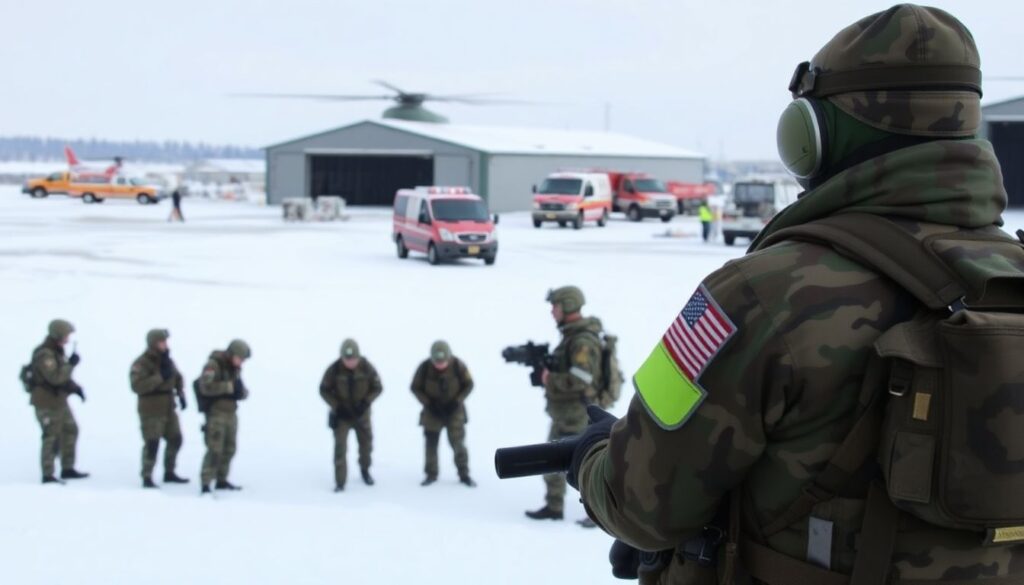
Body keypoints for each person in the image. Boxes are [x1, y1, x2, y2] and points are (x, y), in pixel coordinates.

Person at [570, 5, 1024, 583]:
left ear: (810, 136)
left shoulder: (755, 294)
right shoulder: (1013, 278)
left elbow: (639, 502)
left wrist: (592, 454)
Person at [525, 286, 604, 521]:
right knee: (555, 461)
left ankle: (598, 514)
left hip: (577, 414)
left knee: (584, 465)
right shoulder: (571, 336)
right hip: (565, 413)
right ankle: (554, 507)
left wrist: (551, 379)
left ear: (568, 306)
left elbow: (582, 379)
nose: (552, 311)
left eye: (555, 306)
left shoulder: (581, 340)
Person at [28, 319, 88, 483]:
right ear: (58, 334)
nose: (68, 338)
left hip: (59, 401)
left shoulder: (57, 351)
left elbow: (63, 377)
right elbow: (55, 378)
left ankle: (67, 468)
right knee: (51, 436)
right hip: (46, 402)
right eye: (67, 334)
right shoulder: (45, 354)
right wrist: (71, 364)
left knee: (71, 430)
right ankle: (48, 474)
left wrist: (76, 388)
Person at [319, 339, 382, 492]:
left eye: (353, 359)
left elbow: (377, 387)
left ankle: (365, 470)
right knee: (340, 448)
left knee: (366, 446)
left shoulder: (366, 367)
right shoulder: (334, 370)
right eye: (347, 359)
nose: (350, 362)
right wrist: (337, 406)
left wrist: (365, 403)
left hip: (361, 415)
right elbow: (323, 390)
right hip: (342, 416)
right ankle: (340, 482)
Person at [411, 340, 475, 487]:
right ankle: (431, 474)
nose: (440, 364)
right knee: (431, 444)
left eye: (443, 362)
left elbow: (469, 384)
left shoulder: (458, 365)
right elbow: (415, 387)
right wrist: (429, 403)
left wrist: (457, 401)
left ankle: (464, 474)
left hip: (454, 412)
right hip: (432, 413)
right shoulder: (424, 368)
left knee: (458, 444)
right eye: (437, 362)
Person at [129, 329, 189, 488]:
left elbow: (177, 377)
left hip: (169, 407)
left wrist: (181, 393)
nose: (165, 345)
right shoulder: (141, 363)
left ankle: (170, 471)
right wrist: (159, 377)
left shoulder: (167, 360)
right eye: (162, 342)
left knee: (176, 439)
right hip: (151, 408)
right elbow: (137, 386)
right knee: (152, 443)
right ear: (154, 344)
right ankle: (147, 476)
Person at [197, 339, 250, 494]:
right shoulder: (213, 365)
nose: (241, 363)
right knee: (215, 448)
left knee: (229, 448)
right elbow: (205, 387)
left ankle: (222, 479)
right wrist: (228, 387)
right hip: (216, 414)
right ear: (232, 354)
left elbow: (240, 388)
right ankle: (206, 482)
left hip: (231, 413)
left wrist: (242, 393)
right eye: (240, 359)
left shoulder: (235, 369)